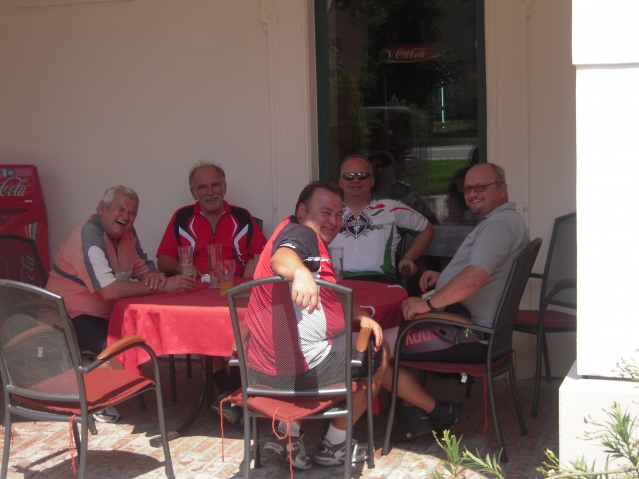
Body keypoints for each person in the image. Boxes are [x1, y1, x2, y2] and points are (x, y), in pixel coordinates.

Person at [381, 163, 530, 442]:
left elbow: (475, 277)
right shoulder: (506, 220)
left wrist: (428, 305)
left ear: (503, 189)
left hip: (470, 335)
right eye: (468, 188)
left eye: (481, 187)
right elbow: (485, 274)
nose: (473, 194)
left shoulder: (498, 225)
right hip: (477, 329)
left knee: (371, 346)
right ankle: (413, 413)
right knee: (397, 330)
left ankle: (437, 411)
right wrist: (445, 278)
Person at [252, 180, 389, 470]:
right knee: (378, 350)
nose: (334, 221)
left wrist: (359, 315)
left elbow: (331, 297)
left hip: (267, 364)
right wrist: (300, 274)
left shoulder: (288, 229)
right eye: (325, 212)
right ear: (302, 211)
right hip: (299, 369)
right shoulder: (301, 233)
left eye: (338, 215)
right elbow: (282, 258)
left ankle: (290, 435)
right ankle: (335, 444)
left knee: (341, 342)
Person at [46, 185, 195, 423]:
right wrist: (163, 286)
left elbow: (144, 268)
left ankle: (97, 373)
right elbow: (110, 290)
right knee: (126, 347)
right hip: (69, 317)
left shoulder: (127, 234)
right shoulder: (89, 235)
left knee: (142, 335)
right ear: (102, 208)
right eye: (120, 209)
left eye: (132, 212)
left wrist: (154, 278)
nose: (126, 216)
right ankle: (95, 397)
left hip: (109, 315)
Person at [329, 155, 435, 284]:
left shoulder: (391, 208)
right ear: (341, 182)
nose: (355, 180)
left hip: (381, 281)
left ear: (372, 181)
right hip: (336, 282)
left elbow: (427, 229)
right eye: (349, 176)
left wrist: (408, 258)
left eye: (362, 176)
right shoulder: (328, 211)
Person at [156, 161, 266, 278]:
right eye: (203, 187)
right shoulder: (182, 217)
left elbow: (266, 255)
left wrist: (254, 263)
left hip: (236, 285)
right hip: (193, 285)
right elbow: (163, 261)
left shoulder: (242, 216)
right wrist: (181, 267)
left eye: (215, 185)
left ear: (224, 188)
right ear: (193, 193)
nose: (210, 192)